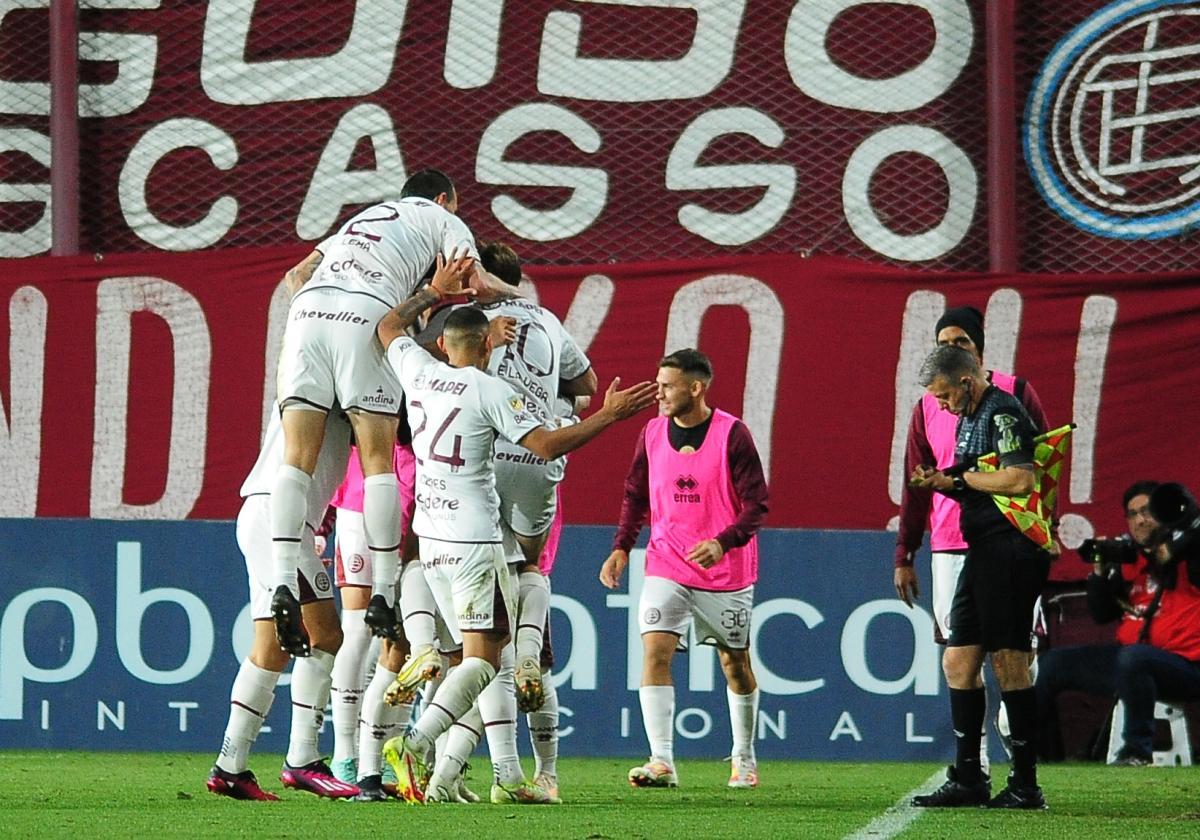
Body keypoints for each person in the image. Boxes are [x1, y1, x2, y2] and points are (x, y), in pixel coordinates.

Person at [375, 274, 657, 804]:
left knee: (464, 657)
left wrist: (433, 292)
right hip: (475, 544)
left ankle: (463, 772)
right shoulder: (492, 390)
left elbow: (389, 325)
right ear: (491, 343)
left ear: (441, 343)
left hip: (428, 540)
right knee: (486, 661)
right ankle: (416, 745)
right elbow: (548, 445)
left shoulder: (418, 370)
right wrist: (608, 416)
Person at [269, 169, 482, 656]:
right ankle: (385, 591)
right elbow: (473, 281)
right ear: (445, 199)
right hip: (366, 315)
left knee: (296, 458)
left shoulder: (358, 223)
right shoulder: (442, 219)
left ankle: (283, 580)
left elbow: (294, 277)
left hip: (307, 313)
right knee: (378, 462)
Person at [600, 348, 769, 790]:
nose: (659, 392)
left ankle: (743, 758)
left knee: (734, 664)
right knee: (654, 651)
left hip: (724, 570)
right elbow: (635, 495)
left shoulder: (733, 435)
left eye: (668, 385)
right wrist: (622, 547)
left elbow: (757, 504)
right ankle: (661, 761)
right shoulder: (652, 433)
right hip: (666, 561)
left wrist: (722, 542)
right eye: (659, 383)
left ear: (696, 388)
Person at [893, 305, 1049, 771]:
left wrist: (961, 482)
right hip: (967, 546)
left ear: (970, 369)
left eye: (959, 342)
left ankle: (1023, 779)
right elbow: (958, 478)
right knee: (958, 660)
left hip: (1008, 547)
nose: (940, 404)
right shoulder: (957, 412)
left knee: (1012, 660)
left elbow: (1023, 478)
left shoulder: (1005, 406)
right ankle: (970, 771)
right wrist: (942, 485)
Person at [205, 409, 360, 801]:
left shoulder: (318, 382)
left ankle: (229, 766)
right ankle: (303, 759)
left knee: (270, 649)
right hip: (280, 520)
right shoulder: (334, 384)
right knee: (325, 635)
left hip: (267, 515)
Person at [1036, 481, 1200, 765]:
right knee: (1051, 665)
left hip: (1185, 667)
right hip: (1132, 663)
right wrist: (1100, 571)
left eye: (1147, 512)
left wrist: (1172, 546)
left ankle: (1137, 751)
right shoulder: (1127, 559)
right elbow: (1101, 614)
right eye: (1133, 514)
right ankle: (1041, 755)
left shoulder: (1192, 554)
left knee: (1133, 658)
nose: (1140, 520)